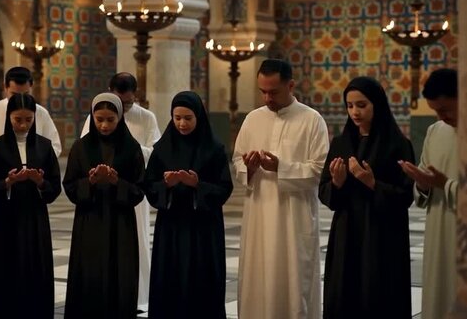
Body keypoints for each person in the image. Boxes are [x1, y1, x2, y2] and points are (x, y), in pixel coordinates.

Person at [232, 59, 329, 319]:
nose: (267, 98)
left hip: (294, 219)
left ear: (291, 85)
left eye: (273, 92)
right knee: (258, 275)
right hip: (259, 215)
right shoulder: (253, 119)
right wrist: (249, 168)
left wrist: (281, 168)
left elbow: (320, 170)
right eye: (262, 91)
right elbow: (237, 160)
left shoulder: (312, 120)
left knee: (294, 281)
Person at [319, 77, 415, 318]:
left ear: (377, 104)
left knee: (379, 294)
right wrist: (337, 184)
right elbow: (324, 192)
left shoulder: (398, 145)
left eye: (361, 105)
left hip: (383, 236)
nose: (354, 112)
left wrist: (372, 183)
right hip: (347, 233)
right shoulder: (341, 143)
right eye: (350, 106)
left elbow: (405, 196)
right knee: (345, 293)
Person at [0, 66, 62, 311]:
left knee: (35, 266)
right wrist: (7, 182)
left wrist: (39, 180)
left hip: (34, 216)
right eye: (17, 120)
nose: (23, 125)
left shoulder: (42, 143)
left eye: (28, 120)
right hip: (5, 216)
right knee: (5, 267)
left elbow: (54, 182)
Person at [144, 91, 233, 318]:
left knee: (201, 279)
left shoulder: (214, 149)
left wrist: (197, 185)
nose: (182, 123)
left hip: (204, 229)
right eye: (177, 118)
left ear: (199, 117)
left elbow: (224, 187)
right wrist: (166, 185)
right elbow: (148, 185)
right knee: (170, 277)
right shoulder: (162, 149)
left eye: (188, 118)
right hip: (172, 226)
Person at [80, 72, 161, 312]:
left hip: (131, 185)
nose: (123, 107)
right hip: (101, 190)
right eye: (119, 101)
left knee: (135, 241)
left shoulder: (146, 117)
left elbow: (153, 151)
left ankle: (135, 295)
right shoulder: (98, 115)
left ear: (135, 95)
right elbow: (86, 146)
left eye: (127, 102)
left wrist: (129, 156)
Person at [62, 93, 145, 318]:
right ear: (92, 117)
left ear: (119, 118)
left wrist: (117, 182)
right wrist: (89, 181)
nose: (104, 125)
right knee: (90, 273)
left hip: (121, 223)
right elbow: (69, 186)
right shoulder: (81, 148)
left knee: (120, 273)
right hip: (90, 221)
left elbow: (140, 189)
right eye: (99, 119)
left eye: (110, 119)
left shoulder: (131, 148)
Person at [399, 68, 458, 319]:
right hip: (438, 230)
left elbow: (443, 182)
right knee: (440, 293)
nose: (440, 116)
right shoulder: (436, 131)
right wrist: (422, 184)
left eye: (445, 108)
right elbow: (424, 188)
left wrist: (445, 184)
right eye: (435, 110)